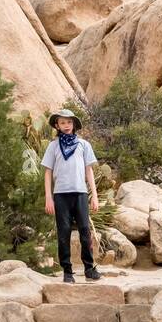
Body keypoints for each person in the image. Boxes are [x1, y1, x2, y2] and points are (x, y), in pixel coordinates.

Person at [42, 109, 102, 283]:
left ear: (74, 124)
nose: (66, 125)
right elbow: (48, 172)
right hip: (60, 195)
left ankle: (89, 269)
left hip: (81, 194)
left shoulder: (84, 145)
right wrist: (48, 197)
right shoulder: (53, 146)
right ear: (57, 125)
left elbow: (88, 171)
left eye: (69, 122)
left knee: (85, 231)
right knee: (63, 233)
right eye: (62, 123)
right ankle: (67, 271)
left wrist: (94, 195)